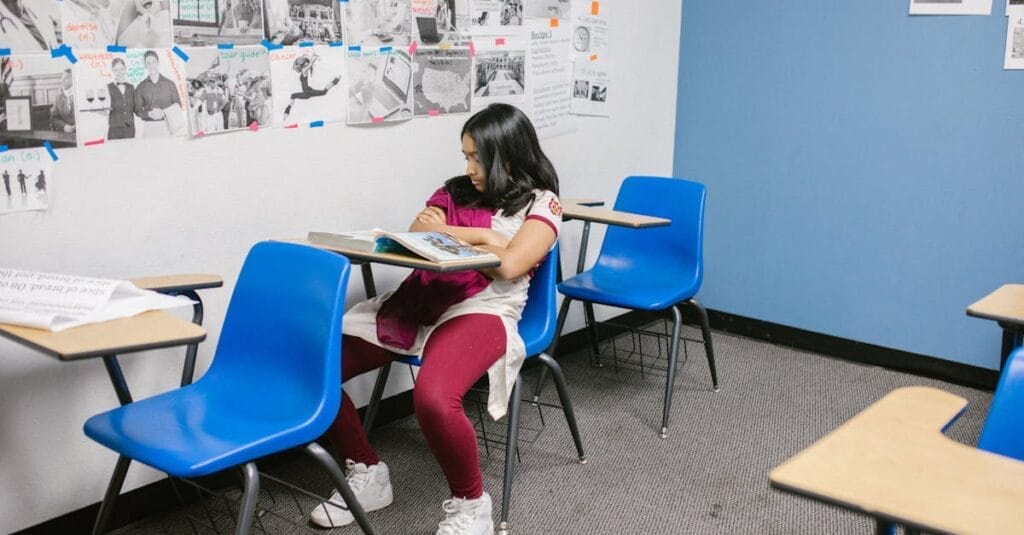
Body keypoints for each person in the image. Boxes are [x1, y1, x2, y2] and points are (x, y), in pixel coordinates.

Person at [310, 103, 561, 535]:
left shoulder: (543, 203)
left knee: (432, 396)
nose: (468, 167)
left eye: (475, 157)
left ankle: (471, 503)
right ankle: (368, 473)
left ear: (506, 155)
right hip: (426, 295)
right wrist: (485, 239)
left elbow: (510, 266)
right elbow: (418, 237)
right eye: (464, 155)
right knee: (315, 370)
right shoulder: (454, 189)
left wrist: (471, 237)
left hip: (486, 308)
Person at [134, 49, 183, 137]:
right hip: (149, 127)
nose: (151, 65)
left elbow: (178, 104)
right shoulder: (140, 87)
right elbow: (137, 109)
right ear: (145, 65)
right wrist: (149, 114)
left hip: (168, 126)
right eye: (148, 63)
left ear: (158, 63)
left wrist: (165, 112)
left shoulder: (170, 84)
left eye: (153, 62)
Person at [281, 53, 340, 123]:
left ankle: (335, 81)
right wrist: (313, 56)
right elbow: (309, 63)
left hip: (307, 93)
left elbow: (310, 64)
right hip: (307, 91)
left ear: (301, 66)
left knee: (324, 92)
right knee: (293, 95)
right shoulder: (304, 71)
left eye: (297, 67)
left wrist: (314, 58)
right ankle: (286, 113)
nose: (296, 69)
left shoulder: (304, 71)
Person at [106, 57, 136, 140]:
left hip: (130, 130)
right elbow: (105, 108)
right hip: (114, 131)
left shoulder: (131, 87)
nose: (119, 72)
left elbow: (135, 108)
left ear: (125, 69)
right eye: (116, 70)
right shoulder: (108, 87)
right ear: (112, 70)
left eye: (121, 69)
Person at [51, 70, 76, 135]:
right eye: (62, 79)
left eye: (65, 79)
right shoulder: (58, 97)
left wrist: (77, 127)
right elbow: (54, 118)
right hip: (65, 134)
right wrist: (64, 126)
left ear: (73, 79)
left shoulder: (80, 94)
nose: (62, 81)